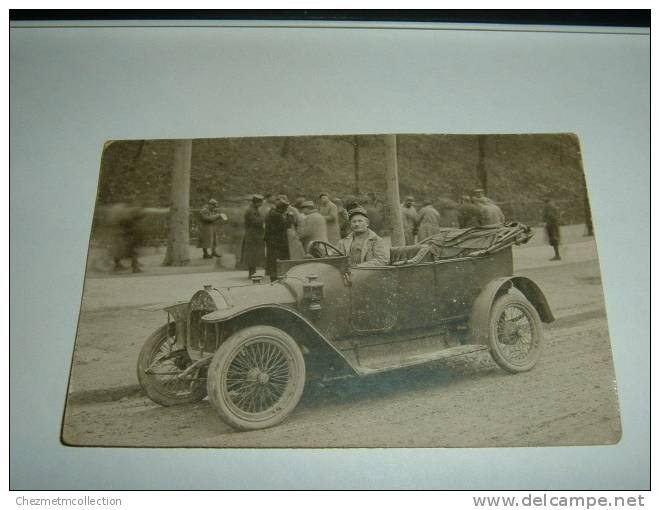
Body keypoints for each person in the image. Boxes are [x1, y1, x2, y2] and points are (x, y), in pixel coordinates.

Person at [106, 201, 146, 273]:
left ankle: (118, 266)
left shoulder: (120, 211)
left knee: (119, 251)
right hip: (126, 236)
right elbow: (128, 222)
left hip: (120, 235)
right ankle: (134, 267)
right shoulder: (127, 214)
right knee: (132, 251)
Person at [264, 195, 291, 280]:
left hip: (272, 241)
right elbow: (287, 225)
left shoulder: (271, 213)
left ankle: (274, 277)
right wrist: (290, 216)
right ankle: (278, 277)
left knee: (273, 260)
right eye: (285, 207)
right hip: (279, 241)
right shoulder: (277, 215)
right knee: (279, 260)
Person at [240, 194, 266, 278]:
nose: (261, 205)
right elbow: (256, 222)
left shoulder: (254, 209)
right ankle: (251, 273)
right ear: (256, 202)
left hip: (255, 235)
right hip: (252, 235)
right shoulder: (251, 211)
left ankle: (253, 272)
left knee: (254, 255)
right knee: (252, 255)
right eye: (260, 203)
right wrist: (265, 219)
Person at [543, 196, 562, 261]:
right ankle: (557, 255)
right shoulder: (553, 207)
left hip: (552, 226)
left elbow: (551, 216)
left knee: (554, 240)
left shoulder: (550, 208)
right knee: (554, 240)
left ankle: (557, 256)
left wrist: (547, 221)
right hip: (553, 225)